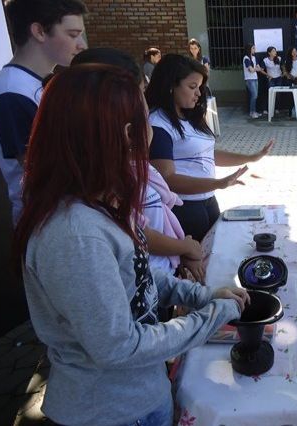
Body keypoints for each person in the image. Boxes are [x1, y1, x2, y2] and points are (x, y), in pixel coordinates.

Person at [13, 64, 250, 426]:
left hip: (138, 396)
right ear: (127, 134)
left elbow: (139, 277)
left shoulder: (100, 203)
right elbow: (119, 347)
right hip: (111, 412)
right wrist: (211, 317)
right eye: (146, 122)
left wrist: (202, 296)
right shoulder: (75, 235)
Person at [71, 47, 205, 282]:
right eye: (140, 94)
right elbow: (140, 235)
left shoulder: (129, 169)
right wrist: (183, 248)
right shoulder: (97, 197)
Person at [146, 54, 273, 242]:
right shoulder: (158, 123)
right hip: (184, 207)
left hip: (207, 200)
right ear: (171, 85)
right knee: (196, 264)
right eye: (192, 87)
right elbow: (167, 179)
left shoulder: (188, 116)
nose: (198, 93)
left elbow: (208, 154)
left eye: (199, 87)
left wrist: (251, 157)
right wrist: (218, 183)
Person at [0, 0, 87, 224]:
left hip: (68, 215)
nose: (81, 45)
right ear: (39, 31)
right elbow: (44, 171)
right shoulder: (11, 92)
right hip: (48, 223)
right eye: (73, 34)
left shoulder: (40, 84)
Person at [243, 43, 261, 118]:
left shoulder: (254, 57)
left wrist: (256, 69)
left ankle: (254, 111)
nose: (254, 50)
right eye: (253, 48)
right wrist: (256, 69)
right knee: (254, 95)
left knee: (255, 95)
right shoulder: (246, 58)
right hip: (249, 79)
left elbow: (258, 68)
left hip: (255, 78)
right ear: (249, 49)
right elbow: (250, 70)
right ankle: (251, 112)